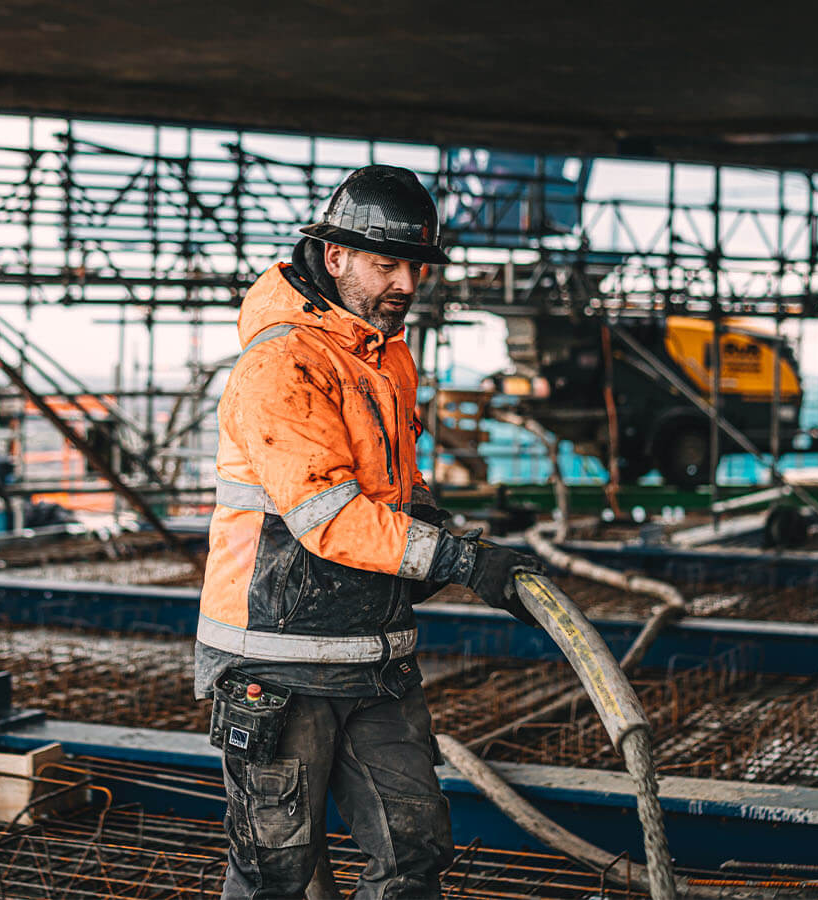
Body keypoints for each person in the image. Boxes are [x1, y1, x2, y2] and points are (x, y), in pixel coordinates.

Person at [195, 164, 546, 899]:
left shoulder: (386, 357)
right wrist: (455, 560)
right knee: (276, 878)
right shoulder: (281, 363)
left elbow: (395, 493)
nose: (407, 284)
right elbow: (328, 517)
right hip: (278, 662)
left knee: (414, 853)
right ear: (335, 258)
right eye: (388, 264)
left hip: (376, 658)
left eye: (415, 266)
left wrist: (453, 542)